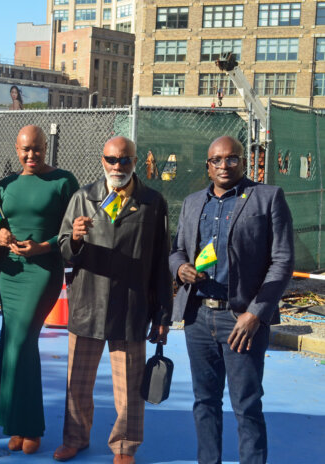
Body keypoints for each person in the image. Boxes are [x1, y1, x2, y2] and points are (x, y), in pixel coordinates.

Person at [169, 136, 294, 464]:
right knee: (204, 403)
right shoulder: (193, 202)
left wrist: (256, 314)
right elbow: (178, 249)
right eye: (217, 160)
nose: (224, 165)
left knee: (247, 406)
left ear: (243, 161)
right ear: (208, 166)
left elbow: (282, 261)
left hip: (242, 320)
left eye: (231, 159)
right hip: (198, 317)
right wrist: (181, 268)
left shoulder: (267, 198)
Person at [55, 136, 172, 464]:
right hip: (87, 303)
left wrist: (163, 314)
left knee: (130, 386)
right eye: (111, 159)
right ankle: (74, 438)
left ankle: (124, 446)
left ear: (135, 162)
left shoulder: (153, 202)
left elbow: (161, 262)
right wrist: (75, 238)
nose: (117, 166)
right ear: (102, 159)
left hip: (131, 306)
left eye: (125, 160)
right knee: (77, 384)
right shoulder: (83, 198)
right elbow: (64, 250)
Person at [0, 125, 79, 454]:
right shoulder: (6, 184)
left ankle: (31, 426)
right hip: (10, 274)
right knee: (12, 342)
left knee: (23, 340)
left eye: (37, 149)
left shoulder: (64, 181)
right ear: (16, 148)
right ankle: (13, 422)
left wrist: (43, 246)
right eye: (25, 150)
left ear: (46, 147)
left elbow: (73, 231)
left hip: (42, 272)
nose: (31, 156)